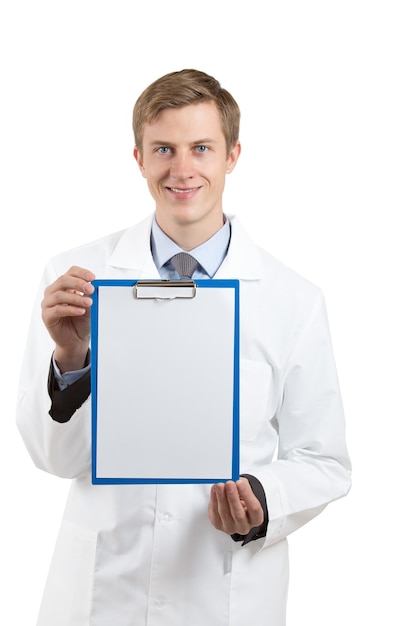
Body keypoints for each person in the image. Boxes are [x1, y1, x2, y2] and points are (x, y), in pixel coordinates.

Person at [17, 69, 351, 626]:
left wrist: (264, 498)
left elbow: (325, 460)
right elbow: (55, 458)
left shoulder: (294, 299)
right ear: (138, 158)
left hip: (224, 590)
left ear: (232, 155)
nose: (182, 169)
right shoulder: (76, 280)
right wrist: (72, 361)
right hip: (103, 592)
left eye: (201, 147)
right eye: (163, 149)